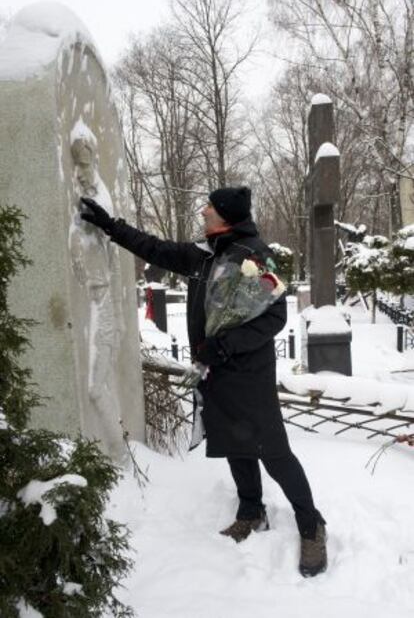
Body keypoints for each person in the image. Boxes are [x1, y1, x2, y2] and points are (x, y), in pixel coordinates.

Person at [80, 186, 327, 577]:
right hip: (216, 370)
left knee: (272, 450)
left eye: (209, 207)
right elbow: (155, 248)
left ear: (226, 215)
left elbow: (274, 316)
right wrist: (111, 226)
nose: (202, 210)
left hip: (247, 371)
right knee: (233, 440)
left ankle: (312, 524)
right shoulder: (204, 254)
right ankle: (250, 508)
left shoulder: (253, 256)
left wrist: (226, 346)